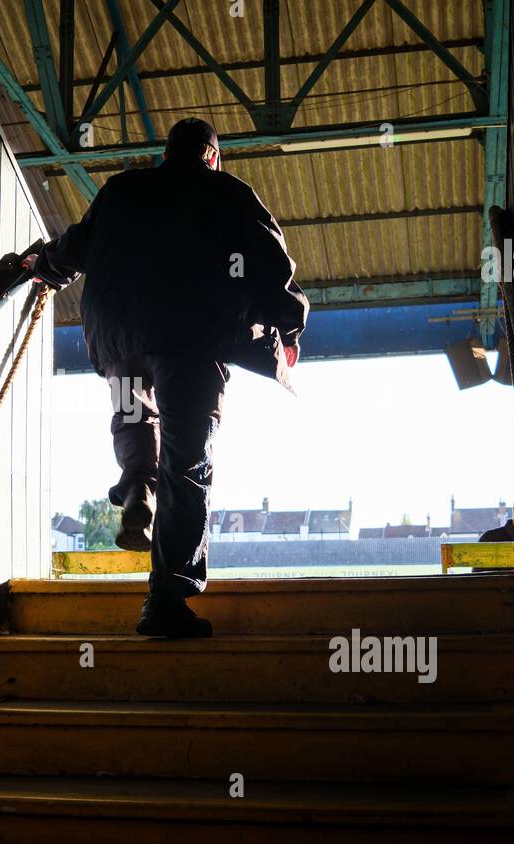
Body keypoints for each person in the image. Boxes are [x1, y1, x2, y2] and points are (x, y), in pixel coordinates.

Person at [25, 118, 307, 638]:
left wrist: (43, 267)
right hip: (191, 340)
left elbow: (76, 246)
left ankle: (137, 485)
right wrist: (290, 323)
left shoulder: (122, 190)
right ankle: (166, 598)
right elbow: (271, 263)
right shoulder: (229, 193)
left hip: (118, 338)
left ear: (167, 153)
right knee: (187, 462)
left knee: (135, 412)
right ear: (212, 157)